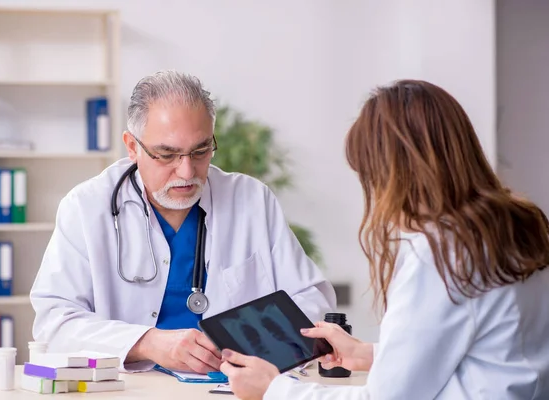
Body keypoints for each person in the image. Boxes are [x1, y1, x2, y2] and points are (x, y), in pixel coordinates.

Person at [220, 79, 549, 399]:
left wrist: (273, 390)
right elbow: (487, 354)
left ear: (395, 172)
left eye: (371, 176)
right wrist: (370, 354)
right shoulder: (517, 225)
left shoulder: (441, 253)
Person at [29, 70, 336, 373]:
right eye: (167, 154)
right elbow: (54, 323)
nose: (187, 172)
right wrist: (146, 342)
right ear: (133, 147)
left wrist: (249, 342)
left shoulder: (252, 200)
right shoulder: (86, 207)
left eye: (200, 151)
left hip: (232, 388)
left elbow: (313, 300)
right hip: (132, 389)